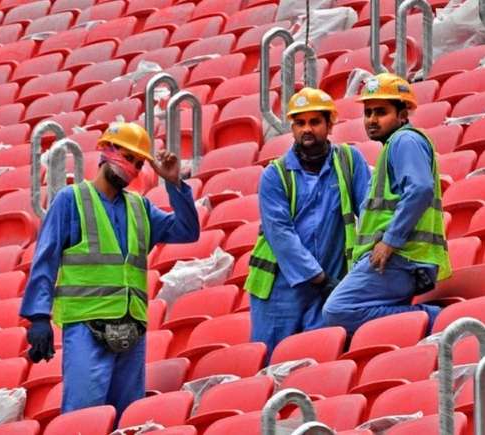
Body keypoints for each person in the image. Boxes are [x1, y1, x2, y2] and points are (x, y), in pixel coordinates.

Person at [19, 121, 200, 419]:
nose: (132, 167)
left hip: (132, 330)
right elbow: (45, 259)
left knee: (126, 419)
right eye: (128, 157)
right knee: (84, 418)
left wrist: (174, 184)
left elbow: (187, 230)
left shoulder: (141, 208)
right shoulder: (71, 200)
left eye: (138, 163)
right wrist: (38, 317)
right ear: (105, 150)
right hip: (86, 328)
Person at [245, 87, 371, 358]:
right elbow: (281, 235)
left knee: (321, 358)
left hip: (330, 280)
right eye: (300, 123)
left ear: (329, 124)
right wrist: (320, 278)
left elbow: (371, 213)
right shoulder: (274, 175)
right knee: (273, 361)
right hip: (278, 290)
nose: (307, 129)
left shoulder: (350, 162)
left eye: (315, 122)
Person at [323, 73, 452, 334]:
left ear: (402, 115)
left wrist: (390, 240)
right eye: (368, 112)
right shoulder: (393, 146)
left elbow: (420, 188)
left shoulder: (405, 140)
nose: (371, 119)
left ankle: (433, 318)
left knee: (338, 309)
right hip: (397, 258)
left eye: (381, 112)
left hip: (401, 257)